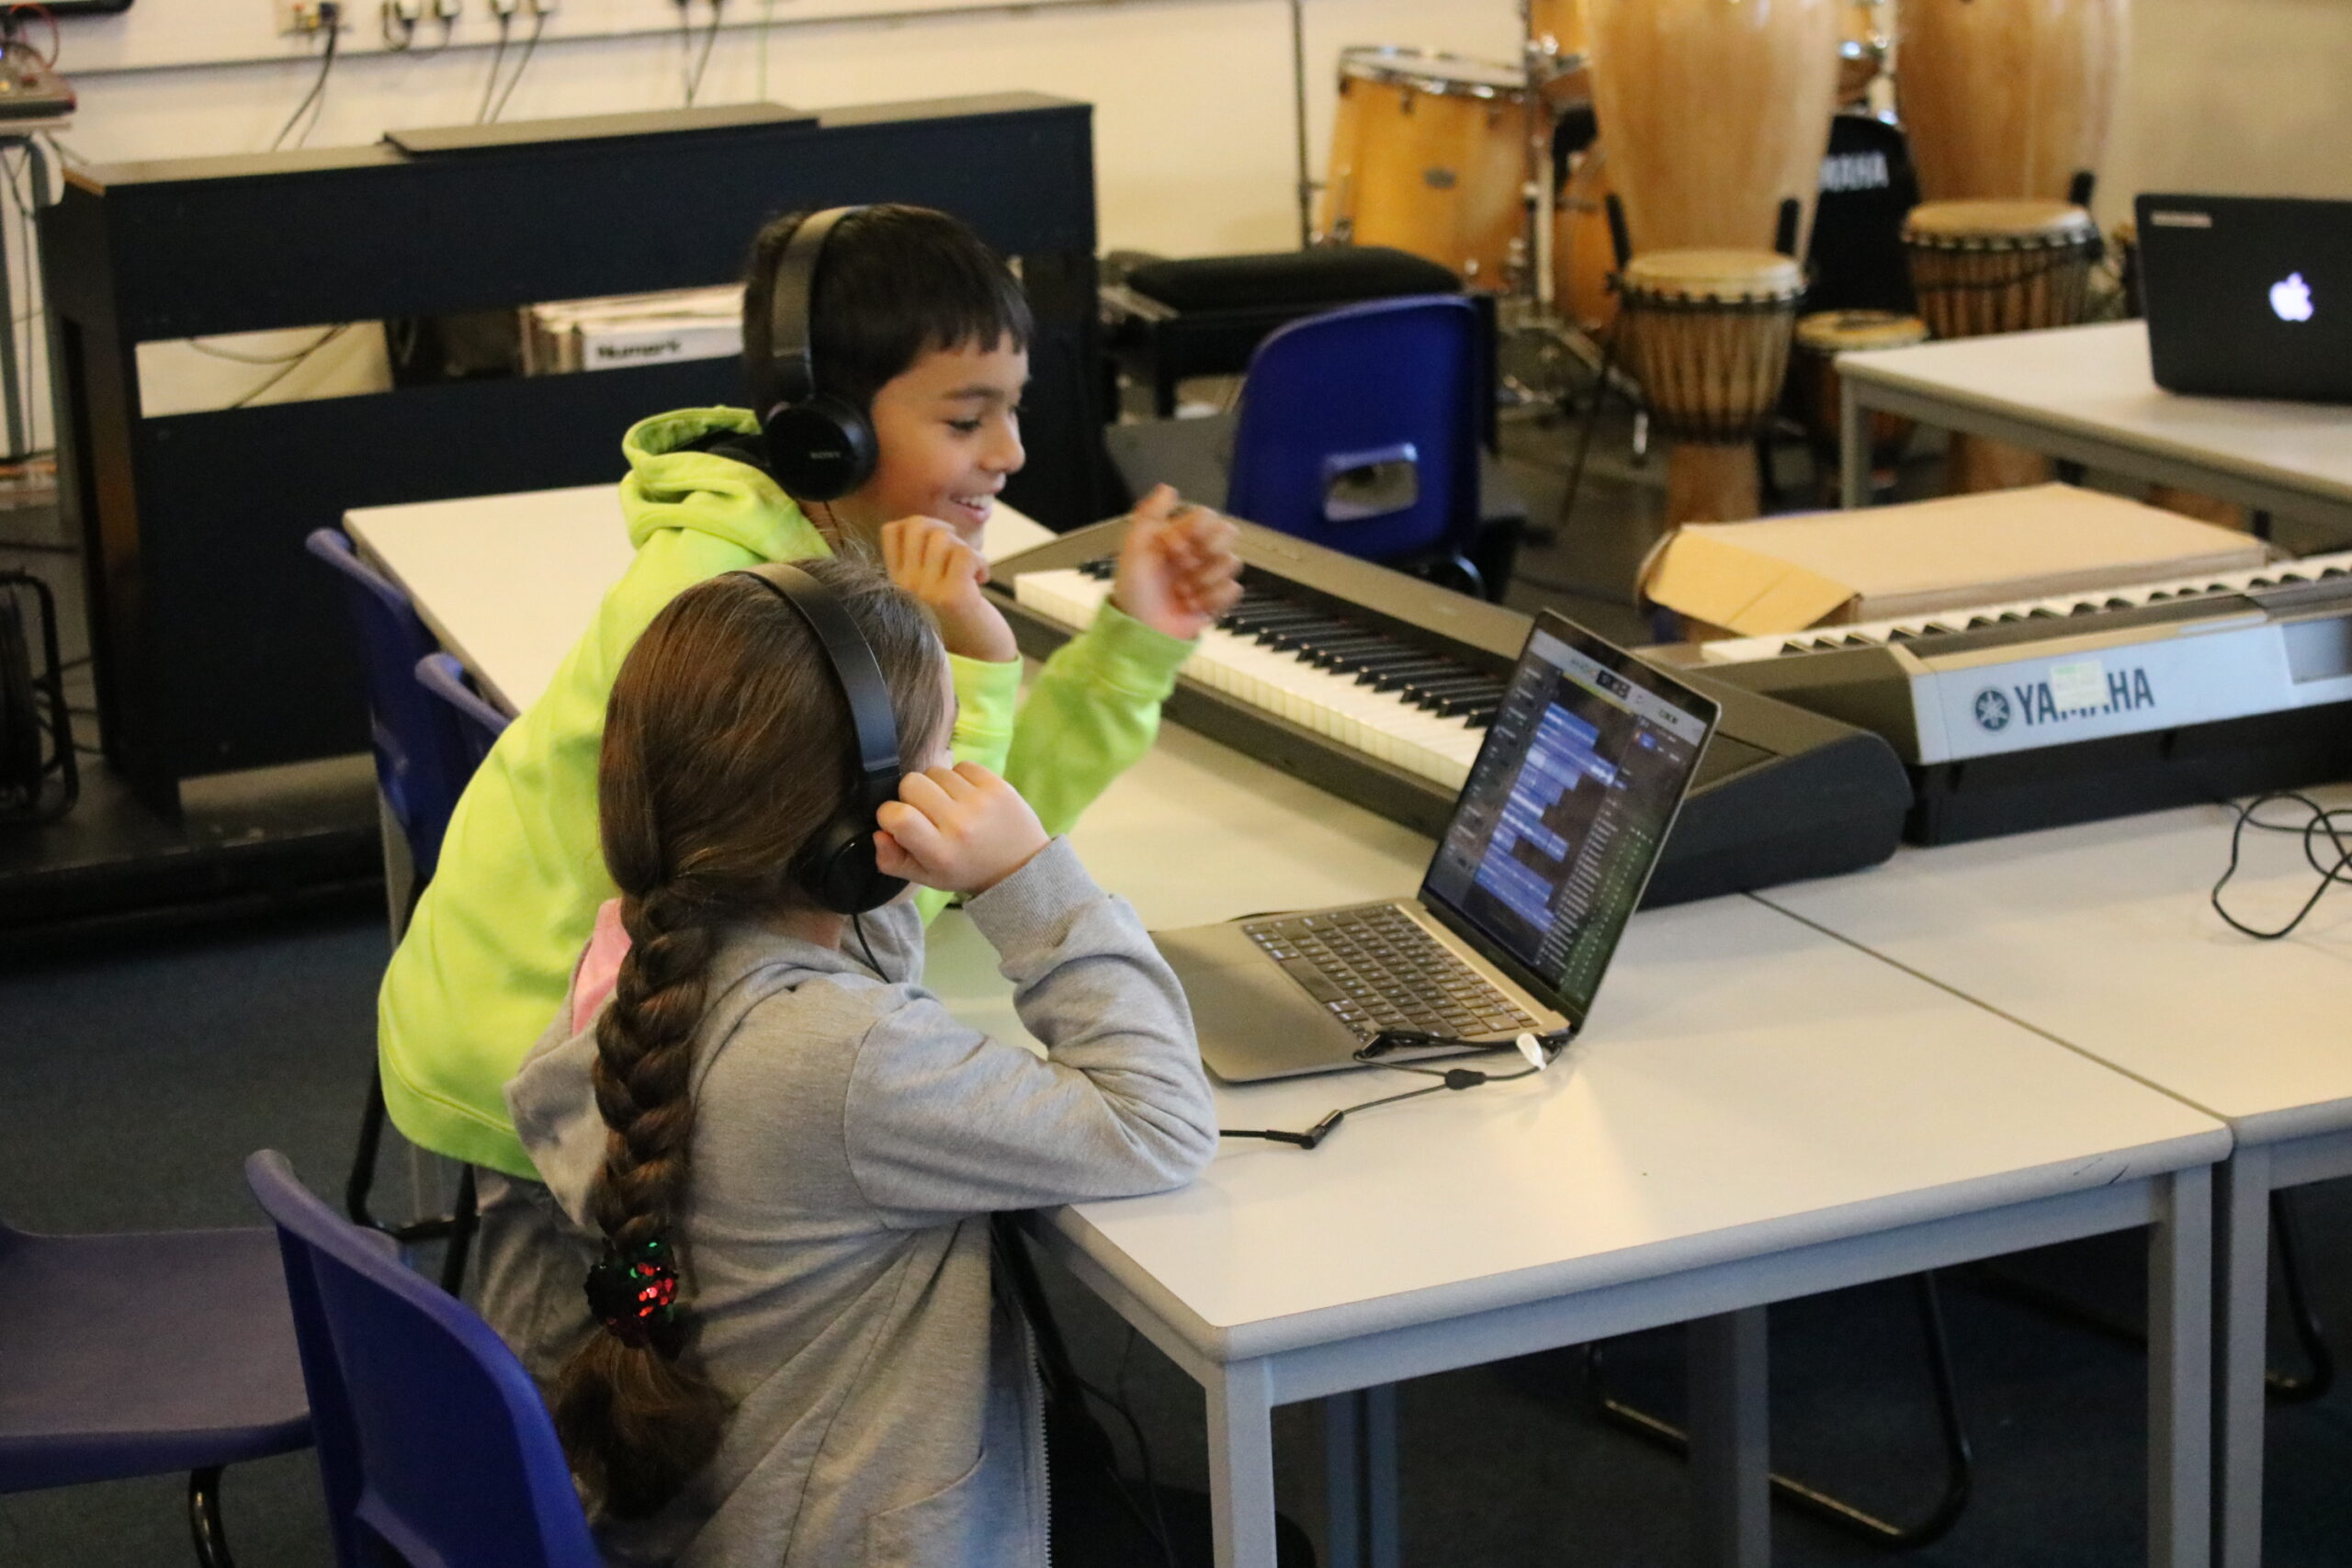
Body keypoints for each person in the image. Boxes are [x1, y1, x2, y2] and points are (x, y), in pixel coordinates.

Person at [379, 203, 1239, 1179]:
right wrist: (974, 659)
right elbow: (890, 897)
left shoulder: (823, 564)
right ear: (825, 437)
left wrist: (1128, 650)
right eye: (965, 418)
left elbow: (968, 829)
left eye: (1013, 408)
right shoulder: (740, 614)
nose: (1009, 453)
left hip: (567, 1025)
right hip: (557, 1074)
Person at [473, 560, 1216, 1565]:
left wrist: (867, 880)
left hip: (726, 1513)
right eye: (938, 757)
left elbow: (871, 985)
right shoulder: (841, 1062)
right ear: (856, 817)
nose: (955, 782)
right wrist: (1027, 880)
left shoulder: (632, 966)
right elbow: (1159, 1124)